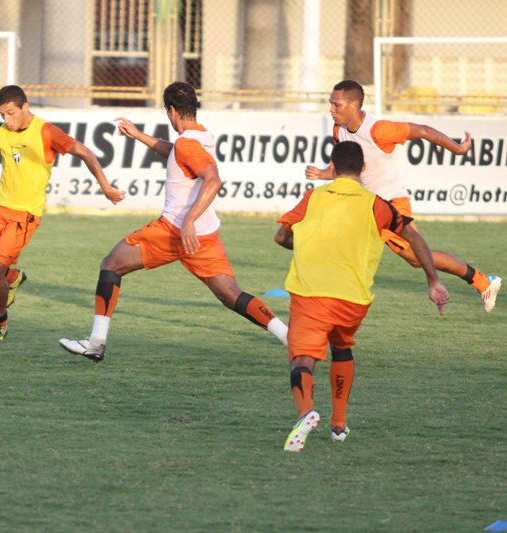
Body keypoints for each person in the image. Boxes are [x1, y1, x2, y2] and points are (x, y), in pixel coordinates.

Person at [60, 81, 288, 363]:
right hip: (204, 235)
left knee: (111, 264)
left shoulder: (188, 143)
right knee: (230, 294)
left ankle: (95, 343)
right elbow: (177, 153)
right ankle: (289, 337)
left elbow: (213, 179)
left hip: (175, 229)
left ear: (171, 110)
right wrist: (139, 135)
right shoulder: (201, 136)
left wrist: (189, 220)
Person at [276, 141, 449, 452]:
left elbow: (281, 236)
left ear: (332, 165)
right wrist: (433, 280)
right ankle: (338, 424)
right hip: (353, 299)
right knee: (340, 346)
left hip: (311, 291)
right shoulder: (377, 203)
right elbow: (415, 238)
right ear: (363, 168)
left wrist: (303, 244)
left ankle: (305, 413)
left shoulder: (313, 196)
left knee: (302, 358)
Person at [0, 85, 125, 340]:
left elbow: (84, 152)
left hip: (24, 215)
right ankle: (12, 277)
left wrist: (105, 186)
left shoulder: (45, 131)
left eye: (11, 113)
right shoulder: (1, 132)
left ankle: (0, 320)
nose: (7, 120)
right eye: (2, 114)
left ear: (25, 107)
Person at [306, 79, 500, 312]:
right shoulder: (340, 131)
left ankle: (482, 282)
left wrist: (457, 148)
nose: (331, 109)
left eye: (336, 104)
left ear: (354, 105)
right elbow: (340, 169)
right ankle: (328, 300)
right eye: (331, 104)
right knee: (349, 245)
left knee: (415, 257)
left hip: (392, 204)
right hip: (368, 205)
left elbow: (425, 131)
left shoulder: (379, 130)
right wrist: (322, 173)